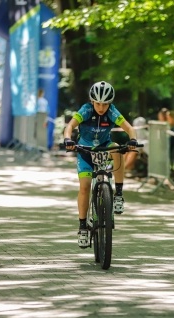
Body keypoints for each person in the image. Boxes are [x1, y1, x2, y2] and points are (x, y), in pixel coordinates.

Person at [63, 81, 138, 248]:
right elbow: (70, 126)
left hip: (104, 148)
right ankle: (83, 227)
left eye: (105, 104)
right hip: (85, 151)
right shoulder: (86, 110)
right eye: (98, 103)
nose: (101, 107)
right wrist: (68, 139)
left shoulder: (112, 111)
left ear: (109, 103)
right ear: (92, 101)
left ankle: (118, 193)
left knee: (118, 148)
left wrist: (132, 140)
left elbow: (129, 128)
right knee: (85, 186)